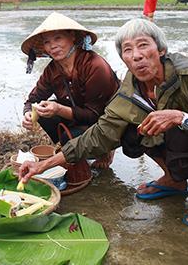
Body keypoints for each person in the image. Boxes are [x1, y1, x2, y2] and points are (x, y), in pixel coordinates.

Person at [20, 18, 188, 229]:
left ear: (160, 50)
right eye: (127, 50)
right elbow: (100, 133)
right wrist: (42, 165)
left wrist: (183, 118)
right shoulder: (130, 90)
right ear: (123, 59)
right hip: (161, 132)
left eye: (143, 45)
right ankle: (174, 180)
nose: (136, 55)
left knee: (179, 132)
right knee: (132, 132)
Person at [21, 12, 119, 169]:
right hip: (79, 115)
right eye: (47, 42)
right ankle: (74, 152)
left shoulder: (95, 66)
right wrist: (28, 113)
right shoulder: (52, 70)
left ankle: (105, 150)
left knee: (69, 137)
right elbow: (32, 100)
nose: (53, 46)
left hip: (105, 121)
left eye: (58, 38)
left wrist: (59, 109)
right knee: (43, 111)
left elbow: (94, 114)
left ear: (72, 37)